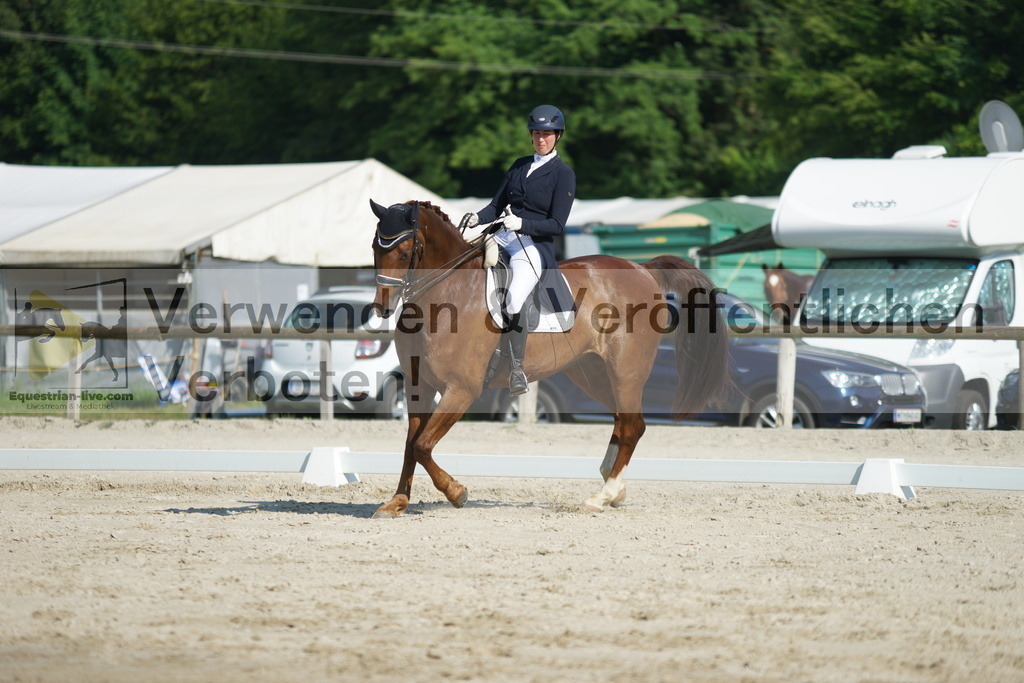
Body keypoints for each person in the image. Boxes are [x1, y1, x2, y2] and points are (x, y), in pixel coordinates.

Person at [460, 104, 576, 397]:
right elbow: (495, 206)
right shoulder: (519, 165)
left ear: (557, 136)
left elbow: (556, 224)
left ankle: (517, 368)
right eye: (536, 133)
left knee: (513, 300)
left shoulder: (563, 174)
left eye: (547, 134)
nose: (541, 139)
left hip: (534, 245)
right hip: (501, 235)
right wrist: (477, 217)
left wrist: (522, 222)